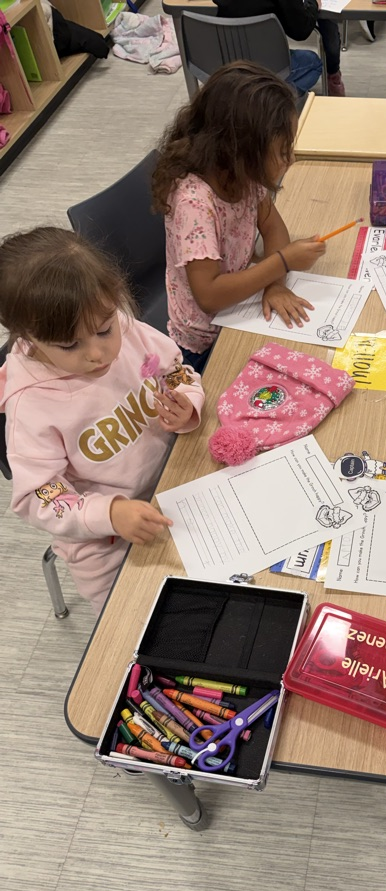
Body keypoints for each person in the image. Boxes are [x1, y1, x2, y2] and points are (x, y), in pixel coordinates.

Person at [0, 227, 206, 616]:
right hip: (106, 543)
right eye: (69, 345)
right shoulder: (31, 406)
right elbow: (41, 495)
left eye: (104, 330)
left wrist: (187, 402)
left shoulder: (122, 327)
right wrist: (108, 514)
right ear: (29, 337)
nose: (98, 353)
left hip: (176, 480)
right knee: (135, 624)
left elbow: (176, 371)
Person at [152, 62, 326, 374]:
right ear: (241, 150)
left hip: (240, 312)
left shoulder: (244, 175)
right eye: (282, 151)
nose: (291, 159)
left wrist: (275, 284)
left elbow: (273, 227)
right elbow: (209, 296)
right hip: (203, 343)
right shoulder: (194, 203)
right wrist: (283, 262)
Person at [215, 0, 346, 97]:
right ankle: (270, 100)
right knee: (314, 63)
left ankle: (248, 95)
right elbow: (301, 31)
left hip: (227, 63)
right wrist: (314, 3)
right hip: (267, 64)